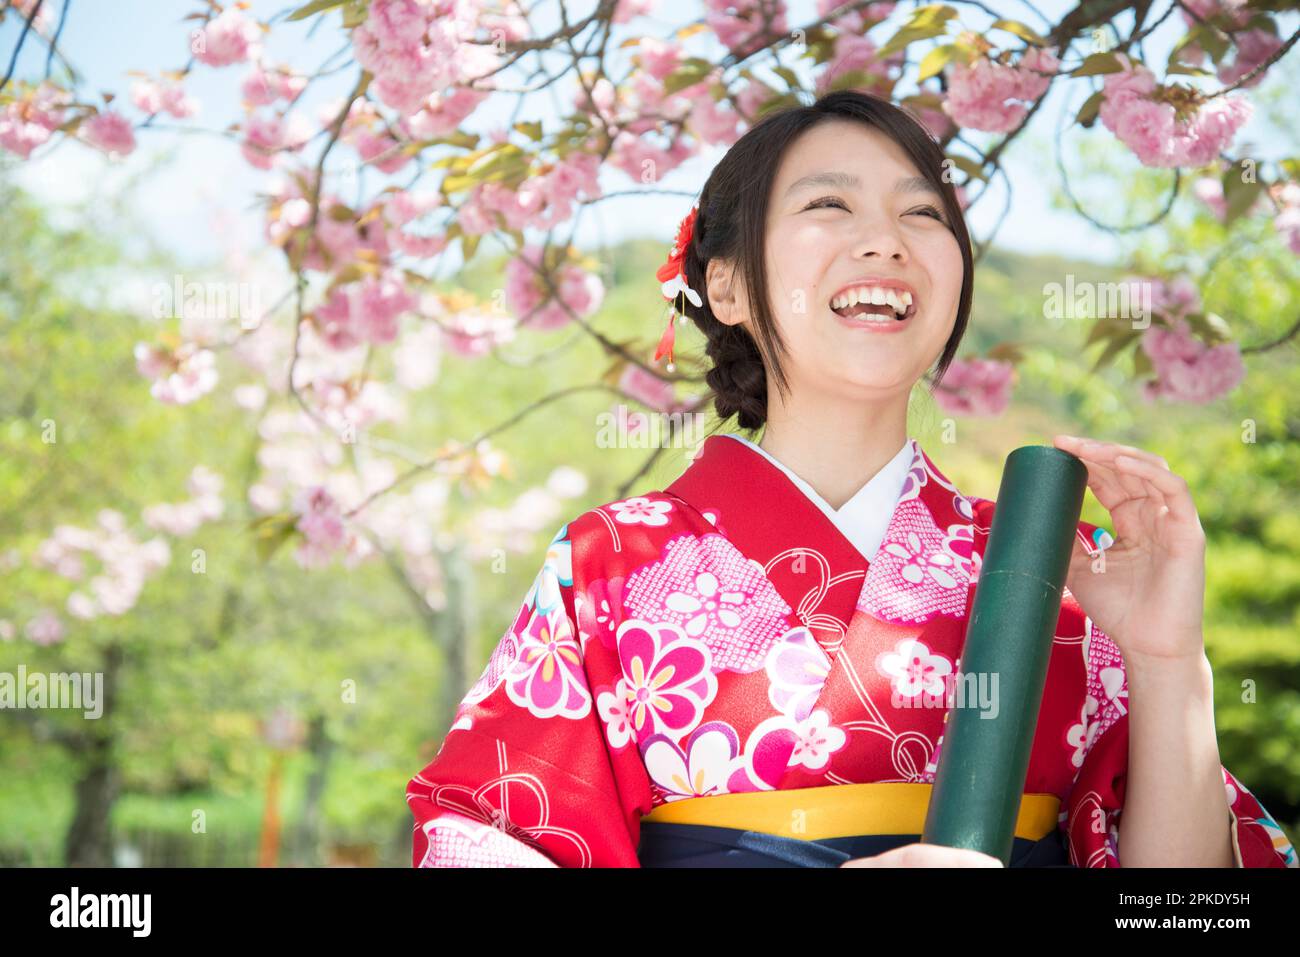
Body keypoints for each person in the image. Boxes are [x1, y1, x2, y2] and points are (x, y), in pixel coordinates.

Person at [404, 90, 1297, 868]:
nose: (885, 241)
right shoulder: (611, 562)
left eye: (923, 215)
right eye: (829, 204)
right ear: (728, 285)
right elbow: (484, 835)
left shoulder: (1063, 567)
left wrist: (1167, 660)